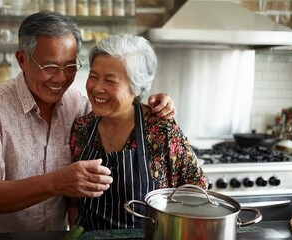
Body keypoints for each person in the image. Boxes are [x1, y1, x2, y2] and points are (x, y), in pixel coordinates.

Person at [0, 11, 176, 233]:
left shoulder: (78, 106)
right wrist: (56, 182)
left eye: (70, 67)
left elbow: (119, 108)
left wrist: (152, 102)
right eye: (50, 67)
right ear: (22, 60)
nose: (61, 78)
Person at [68, 34, 208, 230]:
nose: (97, 88)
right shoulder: (82, 128)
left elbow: (196, 189)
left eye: (110, 81)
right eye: (93, 76)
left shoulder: (160, 129)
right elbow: (74, 201)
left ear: (138, 87)